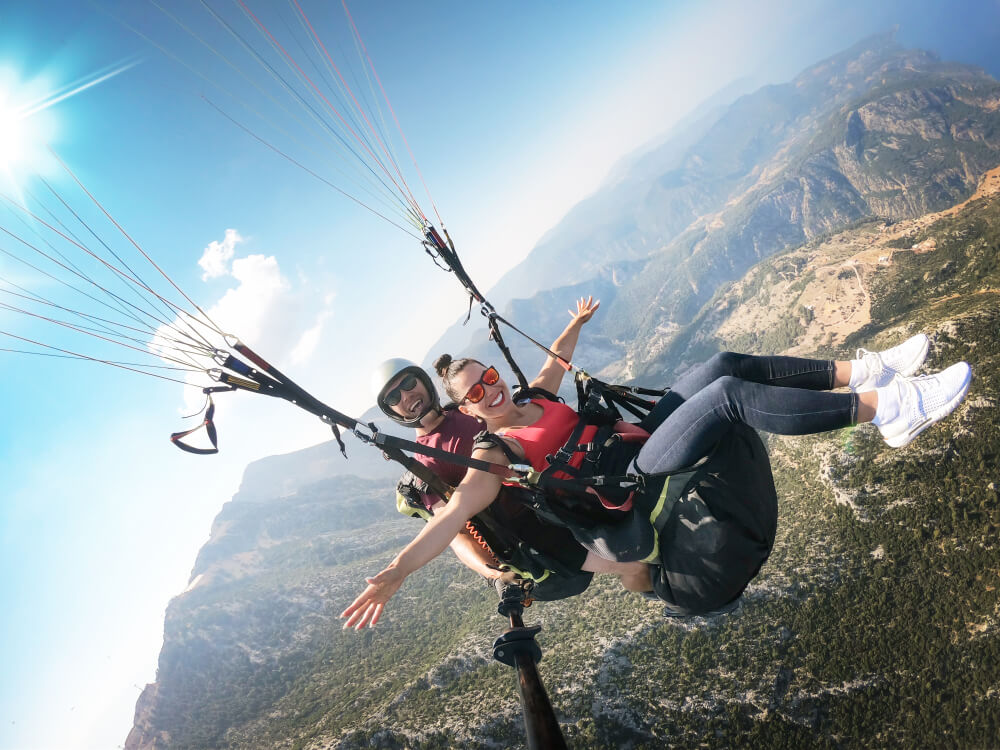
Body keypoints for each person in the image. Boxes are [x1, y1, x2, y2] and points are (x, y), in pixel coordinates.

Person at [342, 326, 972, 629]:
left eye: (487, 374)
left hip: (633, 438)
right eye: (477, 389)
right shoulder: (497, 450)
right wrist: (397, 573)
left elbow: (555, 363)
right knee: (726, 395)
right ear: (469, 410)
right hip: (632, 477)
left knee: (719, 364)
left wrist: (575, 324)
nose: (489, 387)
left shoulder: (530, 396)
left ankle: (867, 372)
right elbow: (454, 515)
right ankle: (890, 411)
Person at [369, 297, 619, 600]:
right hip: (538, 529)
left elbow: (549, 371)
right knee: (636, 567)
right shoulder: (427, 463)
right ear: (393, 412)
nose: (407, 395)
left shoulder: (470, 408)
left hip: (571, 488)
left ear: (422, 381)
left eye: (408, 383)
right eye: (394, 397)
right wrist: (494, 574)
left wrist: (575, 323)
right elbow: (453, 526)